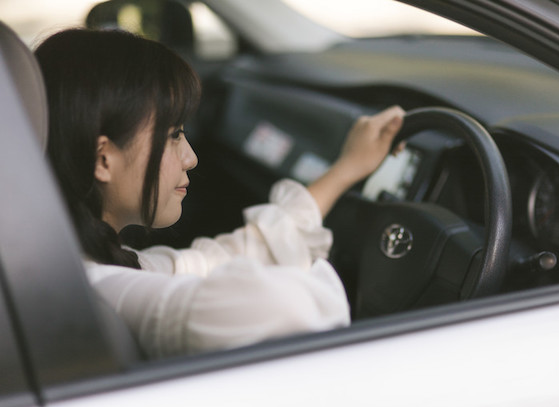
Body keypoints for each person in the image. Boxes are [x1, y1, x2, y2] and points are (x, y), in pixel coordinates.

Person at [35, 28, 404, 358]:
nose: (190, 158)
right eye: (174, 135)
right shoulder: (98, 289)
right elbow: (283, 308)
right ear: (103, 159)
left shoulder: (89, 260)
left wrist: (345, 170)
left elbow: (214, 259)